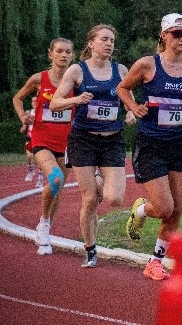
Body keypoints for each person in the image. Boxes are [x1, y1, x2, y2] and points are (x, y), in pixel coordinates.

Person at [116, 13, 182, 281]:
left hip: (179, 143)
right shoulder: (148, 65)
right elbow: (122, 89)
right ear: (164, 36)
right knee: (163, 208)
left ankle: (155, 261)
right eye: (176, 33)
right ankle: (140, 209)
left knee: (178, 207)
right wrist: (134, 107)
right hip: (151, 143)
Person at [50, 24, 136, 268]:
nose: (109, 44)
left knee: (114, 198)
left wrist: (131, 112)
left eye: (112, 40)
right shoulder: (77, 70)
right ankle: (90, 249)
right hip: (83, 139)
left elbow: (130, 101)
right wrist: (77, 99)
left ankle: (100, 180)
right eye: (104, 39)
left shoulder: (120, 70)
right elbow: (55, 103)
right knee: (89, 200)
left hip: (112, 139)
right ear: (91, 43)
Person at [12, 39, 76, 255]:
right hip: (41, 140)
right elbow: (18, 98)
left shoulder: (76, 80)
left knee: (56, 190)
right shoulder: (40, 79)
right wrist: (22, 116)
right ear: (50, 54)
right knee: (55, 178)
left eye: (68, 52)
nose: (64, 55)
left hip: (66, 142)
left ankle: (45, 226)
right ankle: (44, 223)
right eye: (59, 51)